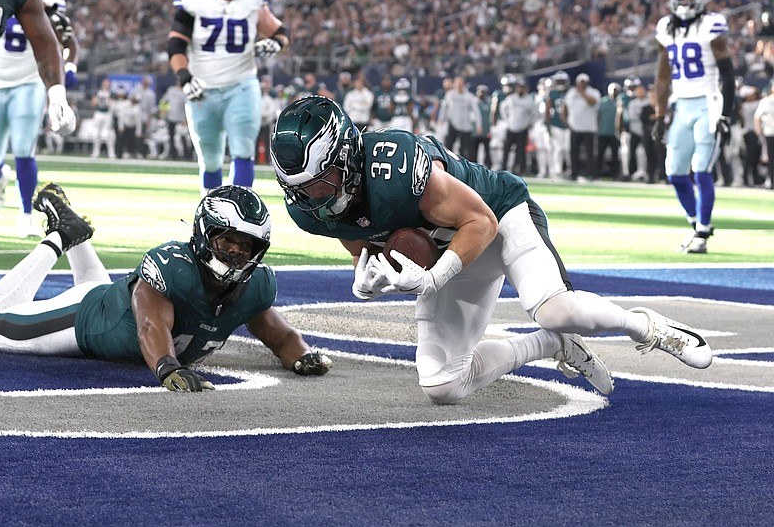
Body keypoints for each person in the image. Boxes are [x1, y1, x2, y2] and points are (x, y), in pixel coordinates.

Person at [269, 96, 713, 405]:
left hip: (497, 216)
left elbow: (479, 221)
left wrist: (432, 277)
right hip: (450, 248)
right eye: (300, 188)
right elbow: (363, 240)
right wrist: (368, 276)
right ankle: (550, 346)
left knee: (554, 307)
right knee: (442, 384)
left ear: (345, 157)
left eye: (319, 181)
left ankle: (645, 327)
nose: (312, 197)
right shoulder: (312, 209)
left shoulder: (393, 163)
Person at [0, 183, 332, 391]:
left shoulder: (254, 287)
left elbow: (282, 338)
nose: (237, 252)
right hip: (87, 320)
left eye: (247, 245)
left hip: (106, 302)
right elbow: (150, 324)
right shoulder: (174, 268)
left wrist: (300, 357)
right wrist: (168, 367)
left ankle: (75, 233)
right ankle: (58, 239)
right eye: (228, 241)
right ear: (205, 237)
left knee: (93, 288)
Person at [0, 0, 76, 266]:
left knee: (23, 148)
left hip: (4, 87)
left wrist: (58, 94)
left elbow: (55, 40)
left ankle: (26, 216)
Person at [168, 0, 290, 192]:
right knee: (210, 158)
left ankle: (240, 210)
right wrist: (184, 77)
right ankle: (211, 212)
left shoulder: (252, 1)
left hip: (241, 85)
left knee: (243, 150)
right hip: (202, 90)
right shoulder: (194, 2)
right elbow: (176, 45)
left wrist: (277, 42)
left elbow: (281, 32)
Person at [652, 0, 736, 254]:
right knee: (675, 173)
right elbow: (663, 75)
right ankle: (696, 222)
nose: (686, 3)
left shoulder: (712, 24)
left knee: (701, 170)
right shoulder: (666, 27)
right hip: (682, 105)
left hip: (708, 104)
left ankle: (701, 232)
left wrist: (725, 113)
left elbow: (728, 73)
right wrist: (659, 114)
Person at [562, 73, 600, 182]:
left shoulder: (593, 92)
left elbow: (592, 102)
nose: (582, 84)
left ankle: (591, 174)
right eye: (580, 82)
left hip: (589, 127)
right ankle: (574, 173)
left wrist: (582, 92)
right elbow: (565, 107)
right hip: (574, 127)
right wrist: (566, 120)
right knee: (573, 152)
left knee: (589, 152)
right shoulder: (571, 93)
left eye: (584, 82)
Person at [499, 76, 535, 175]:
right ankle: (504, 168)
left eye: (522, 87)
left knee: (520, 151)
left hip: (522, 128)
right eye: (519, 87)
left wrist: (529, 123)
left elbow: (535, 114)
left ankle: (519, 170)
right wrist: (507, 120)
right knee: (506, 149)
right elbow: (502, 109)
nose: (520, 89)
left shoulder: (529, 100)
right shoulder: (511, 98)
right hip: (511, 127)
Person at [90, 78, 117, 159]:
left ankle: (111, 153)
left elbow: (111, 104)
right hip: (98, 113)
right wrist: (97, 100)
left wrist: (108, 101)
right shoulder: (97, 92)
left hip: (107, 113)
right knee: (96, 133)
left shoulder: (111, 93)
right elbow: (93, 103)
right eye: (105, 84)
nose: (106, 85)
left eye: (107, 84)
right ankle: (95, 152)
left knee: (109, 134)